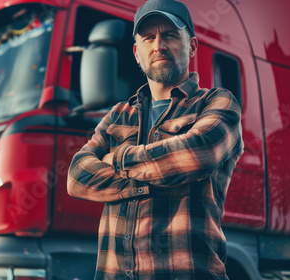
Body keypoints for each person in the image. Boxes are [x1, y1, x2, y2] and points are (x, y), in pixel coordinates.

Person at [67, 0, 244, 279]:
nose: (158, 45)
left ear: (193, 46)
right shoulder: (118, 115)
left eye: (170, 35)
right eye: (148, 38)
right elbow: (76, 177)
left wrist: (117, 159)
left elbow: (199, 152)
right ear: (137, 53)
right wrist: (144, 181)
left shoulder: (216, 102)